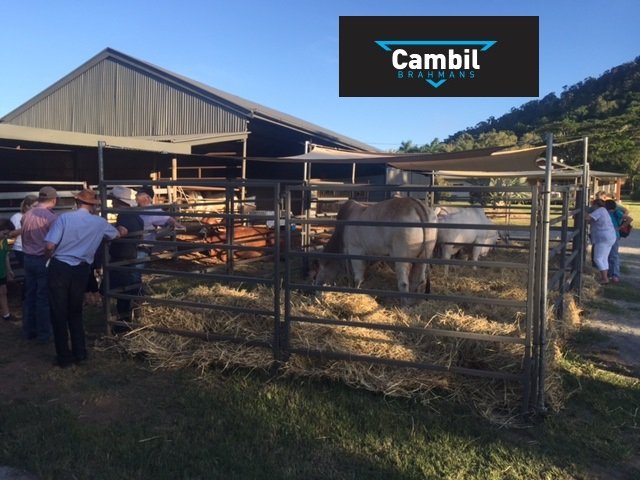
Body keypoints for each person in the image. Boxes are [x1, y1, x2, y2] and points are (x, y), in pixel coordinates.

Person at [45, 188, 126, 367]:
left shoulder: (65, 218)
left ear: (77, 202)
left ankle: (64, 357)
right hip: (81, 269)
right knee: (75, 311)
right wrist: (123, 229)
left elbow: (50, 245)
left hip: (60, 266)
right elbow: (117, 234)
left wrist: (49, 257)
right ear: (93, 205)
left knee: (58, 312)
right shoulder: (99, 222)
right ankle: (80, 352)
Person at [21, 186, 58, 342]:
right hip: (43, 258)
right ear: (54, 200)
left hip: (27, 258)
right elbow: (52, 243)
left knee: (30, 294)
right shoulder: (51, 218)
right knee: (43, 296)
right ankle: (44, 333)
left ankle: (29, 330)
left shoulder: (26, 215)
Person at [107, 186, 144, 329]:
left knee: (121, 291)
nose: (112, 203)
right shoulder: (135, 215)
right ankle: (130, 317)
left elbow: (121, 232)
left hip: (121, 256)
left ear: (120, 201)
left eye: (113, 200)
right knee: (127, 288)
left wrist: (107, 232)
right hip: (130, 254)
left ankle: (122, 324)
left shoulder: (124, 215)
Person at [587, 198, 617, 285]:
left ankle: (605, 278)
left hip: (603, 238)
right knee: (604, 258)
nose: (592, 207)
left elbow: (588, 218)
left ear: (596, 205)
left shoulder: (600, 210)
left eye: (592, 205)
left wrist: (584, 213)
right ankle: (604, 277)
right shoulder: (603, 211)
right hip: (610, 237)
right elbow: (591, 221)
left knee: (598, 258)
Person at [0, 219, 16, 321]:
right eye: (4, 233)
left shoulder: (4, 241)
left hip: (1, 271)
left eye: (8, 234)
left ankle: (6, 314)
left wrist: (9, 270)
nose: (6, 236)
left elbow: (6, 256)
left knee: (3, 291)